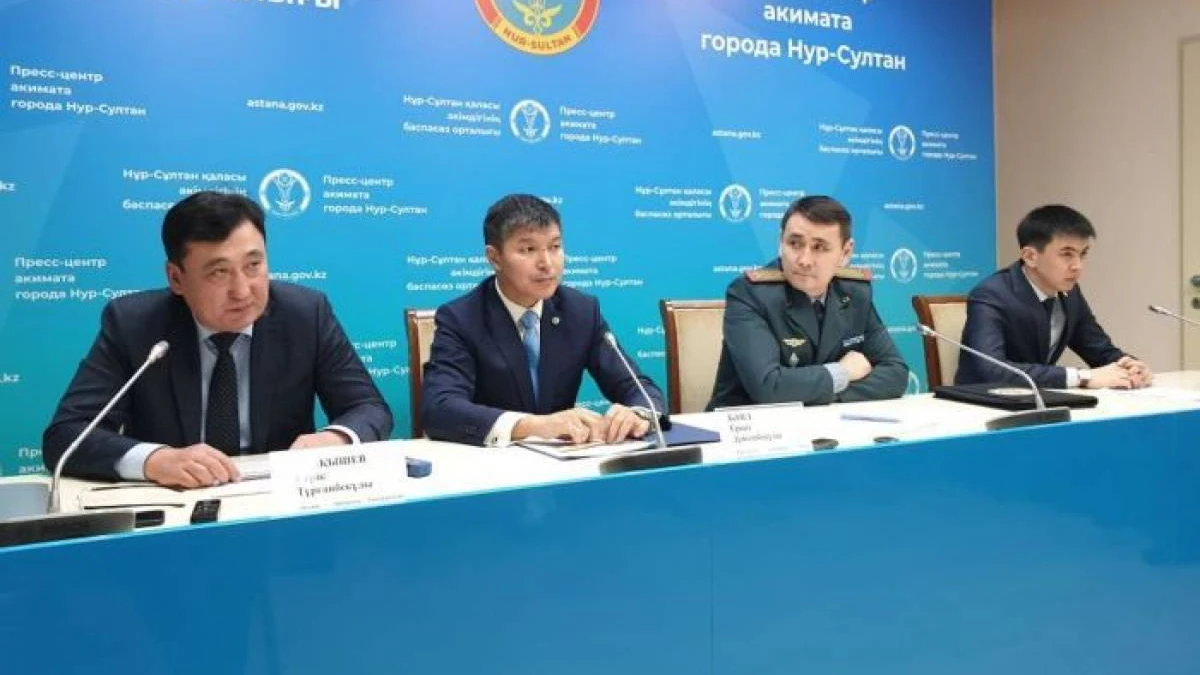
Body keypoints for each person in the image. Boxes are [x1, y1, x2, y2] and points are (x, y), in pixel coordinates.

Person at [42, 191, 393, 488]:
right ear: (176, 278)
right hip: (179, 505)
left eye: (253, 265)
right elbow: (67, 435)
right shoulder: (134, 325)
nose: (242, 290)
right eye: (219, 272)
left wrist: (336, 438)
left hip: (279, 500)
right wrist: (154, 460)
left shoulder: (305, 314)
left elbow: (369, 408)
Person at [420, 193, 664, 447]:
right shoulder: (461, 318)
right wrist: (532, 426)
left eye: (555, 247)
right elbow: (439, 408)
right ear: (494, 258)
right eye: (528, 249)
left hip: (566, 463)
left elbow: (636, 385)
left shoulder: (581, 311)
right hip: (492, 462)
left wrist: (639, 414)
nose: (547, 263)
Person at [707, 195, 908, 408]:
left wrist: (826, 395)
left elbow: (895, 373)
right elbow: (769, 387)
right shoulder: (750, 294)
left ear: (846, 252)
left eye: (819, 247)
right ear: (781, 241)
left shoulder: (855, 292)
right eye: (794, 243)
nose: (804, 260)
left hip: (825, 422)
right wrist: (842, 373)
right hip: (748, 424)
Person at [956, 204, 1152, 389]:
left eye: (1083, 254)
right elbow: (992, 370)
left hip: (1039, 400)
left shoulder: (1070, 294)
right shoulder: (992, 295)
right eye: (1067, 254)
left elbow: (1099, 350)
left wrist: (1130, 366)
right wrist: (1083, 377)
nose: (1077, 266)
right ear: (1030, 257)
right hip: (982, 403)